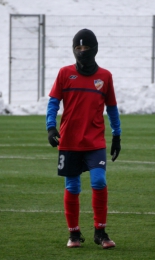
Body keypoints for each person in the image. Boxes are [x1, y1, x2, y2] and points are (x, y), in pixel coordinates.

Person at [46, 28, 121, 249]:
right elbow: (52, 102)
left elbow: (113, 108)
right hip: (69, 141)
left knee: (99, 181)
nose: (82, 52)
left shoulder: (105, 76)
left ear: (94, 49)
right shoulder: (64, 73)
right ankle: (74, 234)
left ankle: (100, 231)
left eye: (86, 48)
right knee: (73, 186)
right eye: (78, 48)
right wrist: (51, 127)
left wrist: (117, 135)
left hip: (95, 141)